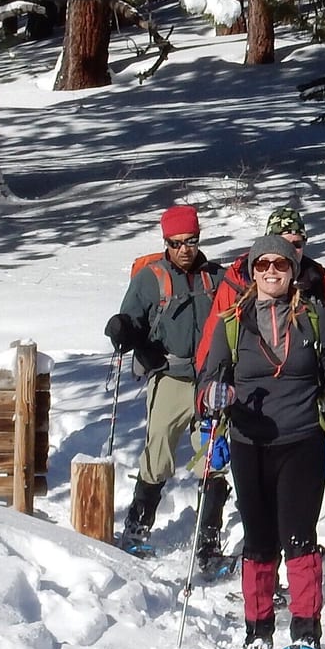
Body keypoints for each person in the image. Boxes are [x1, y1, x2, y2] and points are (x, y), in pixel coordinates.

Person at [196, 234, 325, 649]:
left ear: (293, 271)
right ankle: (257, 634)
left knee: (299, 536)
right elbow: (208, 377)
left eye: (279, 264)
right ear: (252, 271)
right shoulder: (232, 320)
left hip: (301, 441)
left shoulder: (312, 319)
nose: (271, 272)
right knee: (258, 539)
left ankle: (306, 635)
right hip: (248, 443)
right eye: (262, 265)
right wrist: (214, 395)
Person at [104, 205, 226, 565]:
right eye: (177, 243)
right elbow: (133, 320)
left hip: (208, 381)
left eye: (192, 241)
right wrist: (126, 333)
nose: (185, 249)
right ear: (166, 242)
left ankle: (208, 542)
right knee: (158, 456)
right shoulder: (150, 278)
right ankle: (136, 530)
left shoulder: (216, 278)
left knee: (213, 458)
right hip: (169, 378)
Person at [194, 206, 325, 375]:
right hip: (247, 388)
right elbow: (212, 343)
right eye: (283, 243)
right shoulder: (238, 280)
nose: (290, 250)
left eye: (297, 244)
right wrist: (205, 388)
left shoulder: (320, 283)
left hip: (307, 389)